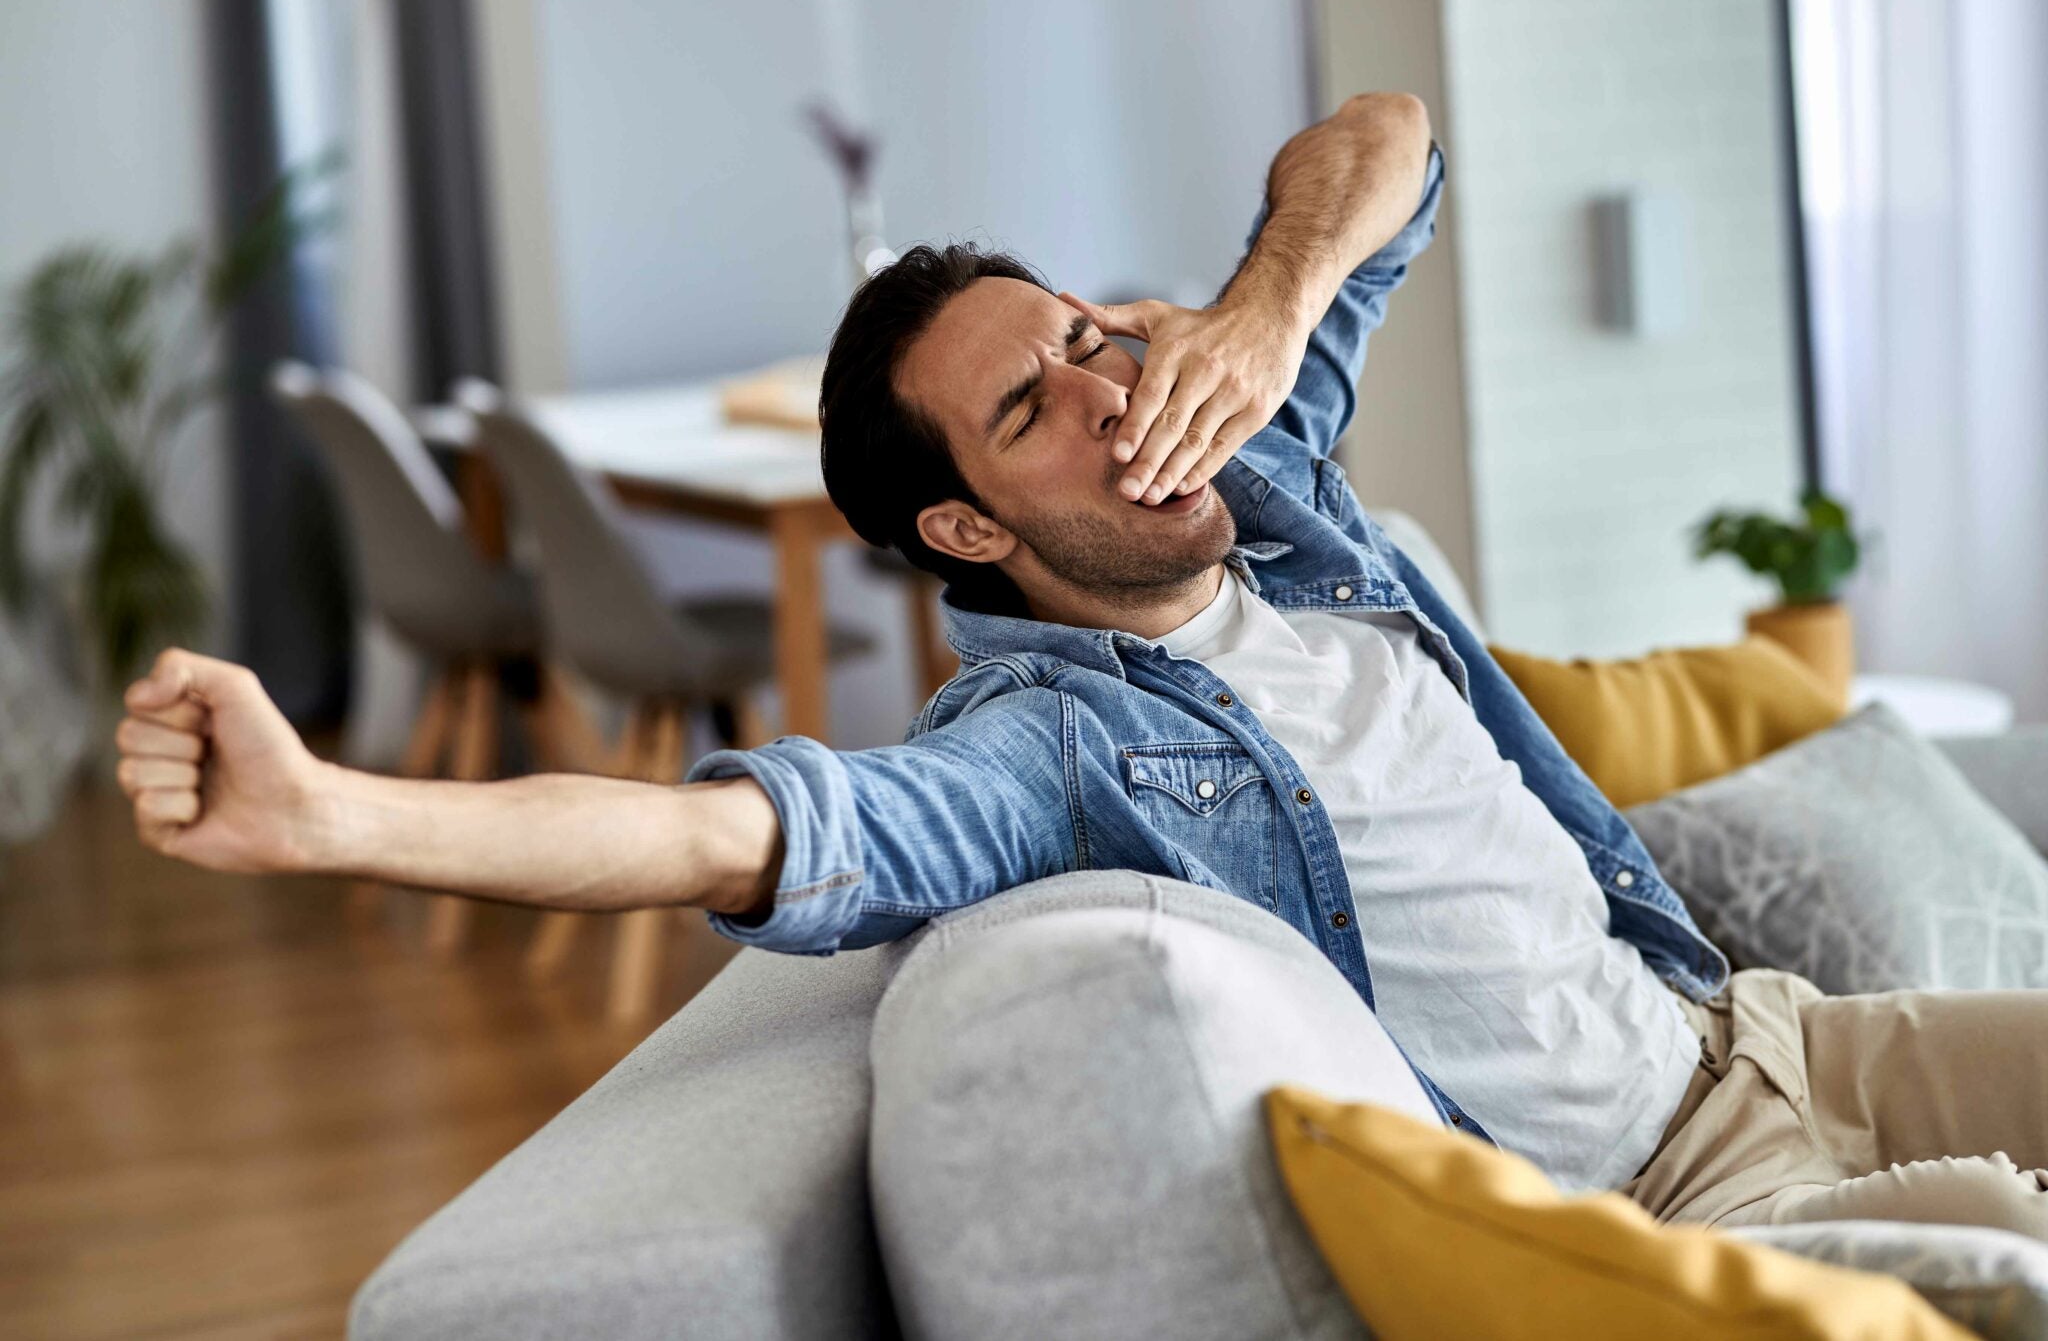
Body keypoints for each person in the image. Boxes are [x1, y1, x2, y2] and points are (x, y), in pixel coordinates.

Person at [116, 94, 2048, 1238]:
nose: (1118, 398)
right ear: (962, 528)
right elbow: (732, 832)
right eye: (1035, 408)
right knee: (1998, 1258)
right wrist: (333, 810)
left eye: (1091, 337)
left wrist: (1263, 310)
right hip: (1665, 1190)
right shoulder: (1055, 745)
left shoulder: (1269, 465)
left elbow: (1394, 140)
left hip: (1768, 1033)